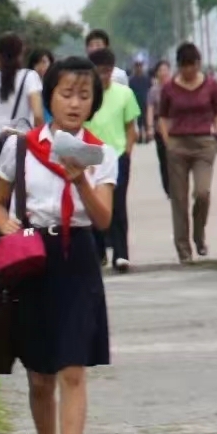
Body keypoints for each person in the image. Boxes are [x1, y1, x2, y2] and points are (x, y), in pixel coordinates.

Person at [0, 56, 118, 434]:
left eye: (84, 95)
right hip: (32, 261)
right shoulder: (21, 147)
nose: (75, 103)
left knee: (73, 371)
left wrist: (79, 178)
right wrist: (4, 225)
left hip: (77, 259)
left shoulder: (102, 155)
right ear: (50, 96)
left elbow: (102, 219)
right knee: (41, 376)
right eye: (66, 93)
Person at [159, 42, 217, 263]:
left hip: (203, 144)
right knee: (179, 199)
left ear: (199, 64)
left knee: (202, 193)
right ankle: (183, 249)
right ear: (179, 66)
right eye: (184, 66)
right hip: (177, 144)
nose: (189, 71)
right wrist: (167, 141)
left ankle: (199, 235)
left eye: (193, 66)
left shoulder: (211, 85)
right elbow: (163, 116)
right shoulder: (168, 88)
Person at [87, 48, 140, 271]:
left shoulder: (124, 93)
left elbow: (131, 128)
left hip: (117, 155)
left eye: (107, 72)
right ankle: (99, 252)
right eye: (99, 72)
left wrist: (127, 152)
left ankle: (121, 253)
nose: (104, 77)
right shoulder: (86, 95)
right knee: (93, 205)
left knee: (118, 205)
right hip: (91, 157)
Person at [0, 33, 44, 185]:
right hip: (21, 144)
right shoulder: (29, 77)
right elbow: (37, 114)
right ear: (21, 53)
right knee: (21, 199)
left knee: (0, 199)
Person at [146, 60, 172, 197]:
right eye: (161, 70)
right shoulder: (153, 91)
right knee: (164, 160)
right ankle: (168, 188)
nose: (164, 72)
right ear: (157, 73)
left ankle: (178, 185)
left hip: (175, 129)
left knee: (176, 159)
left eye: (166, 69)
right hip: (159, 129)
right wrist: (149, 127)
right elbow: (150, 110)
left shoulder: (176, 87)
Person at [129, 56, 152, 143]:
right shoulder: (131, 80)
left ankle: (147, 136)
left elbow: (150, 89)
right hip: (135, 102)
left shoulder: (147, 79)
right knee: (138, 122)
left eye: (140, 66)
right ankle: (139, 137)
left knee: (145, 120)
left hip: (145, 102)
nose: (139, 68)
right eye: (137, 66)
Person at [29, 48, 55, 121]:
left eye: (44, 62)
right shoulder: (29, 85)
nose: (40, 66)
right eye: (37, 63)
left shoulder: (55, 84)